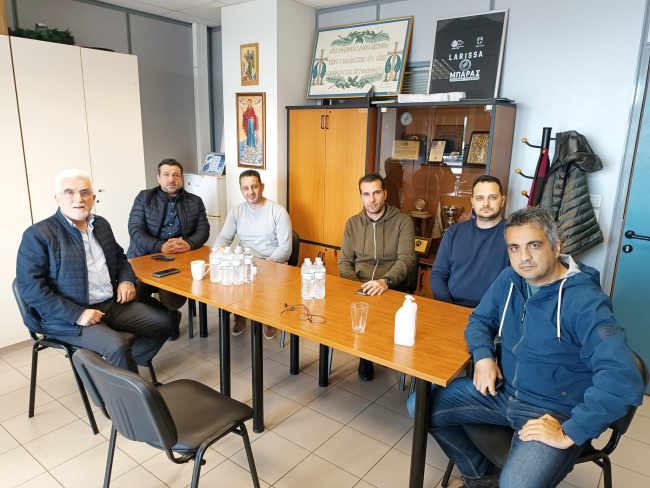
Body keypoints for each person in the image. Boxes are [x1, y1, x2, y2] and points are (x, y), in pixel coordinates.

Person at [407, 207, 645, 488]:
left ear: (556, 247)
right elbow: (479, 320)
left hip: (554, 410)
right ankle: (481, 476)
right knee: (418, 406)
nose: (524, 257)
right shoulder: (509, 279)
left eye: (534, 245)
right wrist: (483, 357)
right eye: (514, 248)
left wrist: (570, 432)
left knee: (517, 484)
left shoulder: (586, 302)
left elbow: (623, 377)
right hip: (502, 392)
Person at [16, 170, 174, 374]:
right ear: (57, 198)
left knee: (165, 323)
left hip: (110, 305)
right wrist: (76, 314)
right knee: (116, 346)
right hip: (64, 316)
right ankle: (125, 387)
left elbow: (119, 257)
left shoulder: (101, 225)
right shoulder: (38, 234)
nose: (78, 199)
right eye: (69, 192)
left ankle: (119, 373)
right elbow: (31, 289)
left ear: (93, 198)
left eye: (84, 192)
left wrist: (126, 281)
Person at [339, 173, 416, 381]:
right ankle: (365, 356)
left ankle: (378, 353)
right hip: (359, 287)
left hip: (393, 286)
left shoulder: (403, 221)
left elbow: (406, 260)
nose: (371, 199)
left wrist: (385, 281)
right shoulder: (352, 223)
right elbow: (344, 262)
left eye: (376, 193)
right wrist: (359, 288)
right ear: (361, 196)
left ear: (385, 194)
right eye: (366, 194)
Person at [127, 159, 209, 340]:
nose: (171, 179)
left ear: (182, 178)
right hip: (144, 258)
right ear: (158, 178)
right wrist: (160, 246)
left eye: (175, 175)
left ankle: (170, 313)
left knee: (172, 300)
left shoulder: (195, 201)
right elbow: (135, 230)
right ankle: (166, 319)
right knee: (133, 296)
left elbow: (203, 231)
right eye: (166, 175)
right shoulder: (144, 197)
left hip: (177, 261)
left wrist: (188, 244)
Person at [213, 170, 292, 340]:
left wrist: (264, 265)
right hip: (246, 262)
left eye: (254, 186)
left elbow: (285, 248)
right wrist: (218, 249)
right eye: (246, 188)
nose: (250, 192)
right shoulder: (237, 211)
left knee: (263, 285)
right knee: (227, 279)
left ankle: (270, 318)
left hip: (273, 263)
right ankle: (240, 315)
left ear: (262, 187)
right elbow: (224, 237)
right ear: (241, 190)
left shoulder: (278, 211)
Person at [429, 175, 510, 308]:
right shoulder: (453, 233)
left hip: (495, 313)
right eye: (480, 198)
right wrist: (449, 308)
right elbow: (438, 274)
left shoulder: (515, 235)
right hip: (453, 307)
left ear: (502, 200)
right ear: (472, 201)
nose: (486, 203)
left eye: (492, 197)